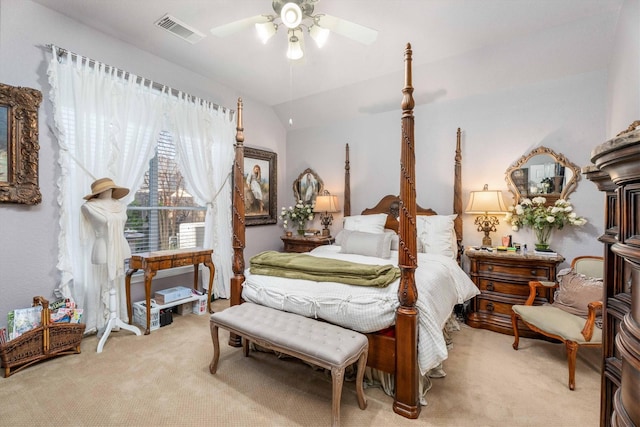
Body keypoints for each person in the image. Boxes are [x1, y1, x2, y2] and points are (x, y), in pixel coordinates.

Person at [82, 177, 139, 349]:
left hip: (121, 248)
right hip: (102, 250)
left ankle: (116, 318)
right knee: (109, 285)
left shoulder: (121, 206)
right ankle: (108, 320)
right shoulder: (89, 207)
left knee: (115, 284)